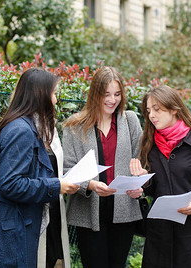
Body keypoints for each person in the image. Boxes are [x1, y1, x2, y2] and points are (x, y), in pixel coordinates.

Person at [0, 68, 79, 268]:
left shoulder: (19, 125)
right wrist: (55, 186)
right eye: (53, 93)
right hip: (7, 230)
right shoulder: (21, 131)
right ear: (40, 95)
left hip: (4, 225)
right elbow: (11, 183)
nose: (56, 100)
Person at [62, 66, 145, 268]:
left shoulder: (131, 121)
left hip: (124, 210)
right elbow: (67, 170)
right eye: (106, 94)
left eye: (117, 94)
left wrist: (140, 181)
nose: (112, 100)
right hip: (89, 212)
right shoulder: (75, 125)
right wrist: (90, 184)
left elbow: (141, 160)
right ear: (95, 94)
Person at [139, 84, 191, 268]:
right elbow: (153, 188)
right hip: (159, 235)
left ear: (174, 109)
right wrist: (143, 182)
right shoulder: (149, 145)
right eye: (148, 110)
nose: (151, 115)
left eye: (157, 109)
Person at [37, 127, 71, 268]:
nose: (56, 102)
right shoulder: (20, 128)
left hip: (55, 214)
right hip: (34, 216)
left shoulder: (51, 128)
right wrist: (55, 186)